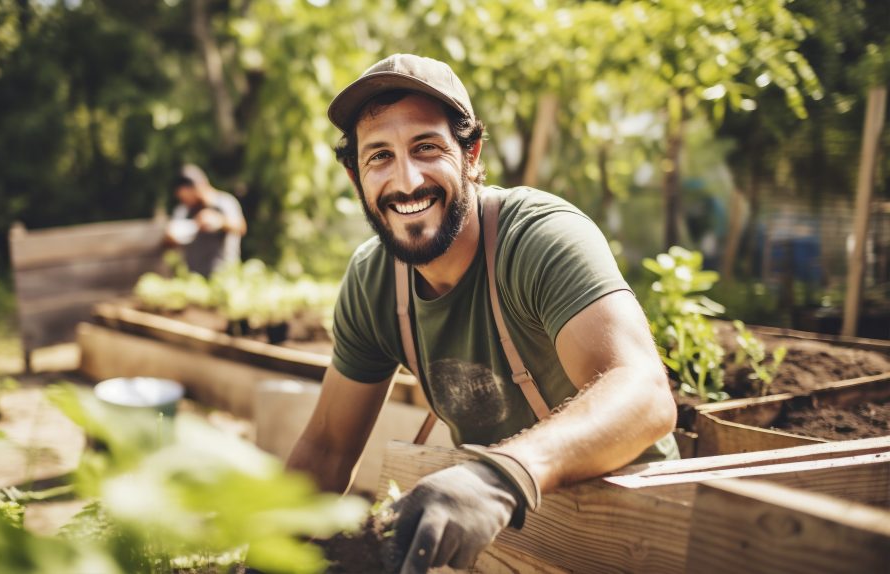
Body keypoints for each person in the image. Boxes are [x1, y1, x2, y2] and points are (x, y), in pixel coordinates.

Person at [286, 54, 679, 573]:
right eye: (379, 156)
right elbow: (328, 447)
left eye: (426, 147)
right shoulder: (374, 282)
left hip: (634, 533)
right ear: (355, 176)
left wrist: (499, 475)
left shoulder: (540, 239)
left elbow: (645, 394)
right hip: (509, 545)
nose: (406, 181)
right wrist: (265, 551)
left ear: (471, 154)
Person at [165, 164, 247, 276]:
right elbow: (171, 238)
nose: (188, 202)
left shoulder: (224, 202)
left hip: (224, 274)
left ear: (200, 187)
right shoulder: (184, 210)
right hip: (194, 276)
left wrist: (220, 221)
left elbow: (241, 227)